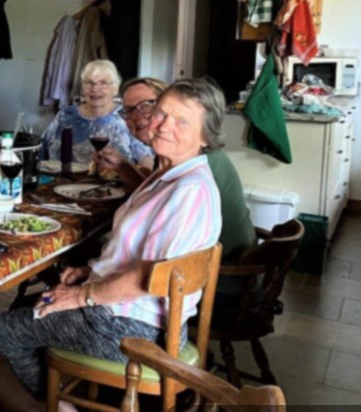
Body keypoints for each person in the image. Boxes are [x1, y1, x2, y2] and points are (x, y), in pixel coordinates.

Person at [0, 77, 223, 403]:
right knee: (44, 301)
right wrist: (90, 273)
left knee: (5, 329)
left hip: (134, 329)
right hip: (135, 314)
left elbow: (149, 277)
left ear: (205, 136)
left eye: (182, 121)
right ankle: (67, 402)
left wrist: (82, 295)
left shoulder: (189, 191)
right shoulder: (170, 175)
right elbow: (136, 255)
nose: (163, 126)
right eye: (161, 113)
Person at [98, 76, 256, 282]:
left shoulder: (193, 166)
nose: (137, 117)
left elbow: (157, 276)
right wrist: (122, 166)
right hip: (198, 269)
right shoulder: (171, 158)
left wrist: (87, 293)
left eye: (146, 106)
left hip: (223, 272)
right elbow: (157, 197)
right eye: (128, 110)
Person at [41, 59, 153, 170]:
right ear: (82, 87)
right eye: (89, 83)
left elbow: (147, 161)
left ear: (115, 88)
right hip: (61, 184)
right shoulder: (65, 115)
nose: (95, 89)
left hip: (114, 185)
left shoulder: (126, 116)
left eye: (103, 83)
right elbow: (41, 149)